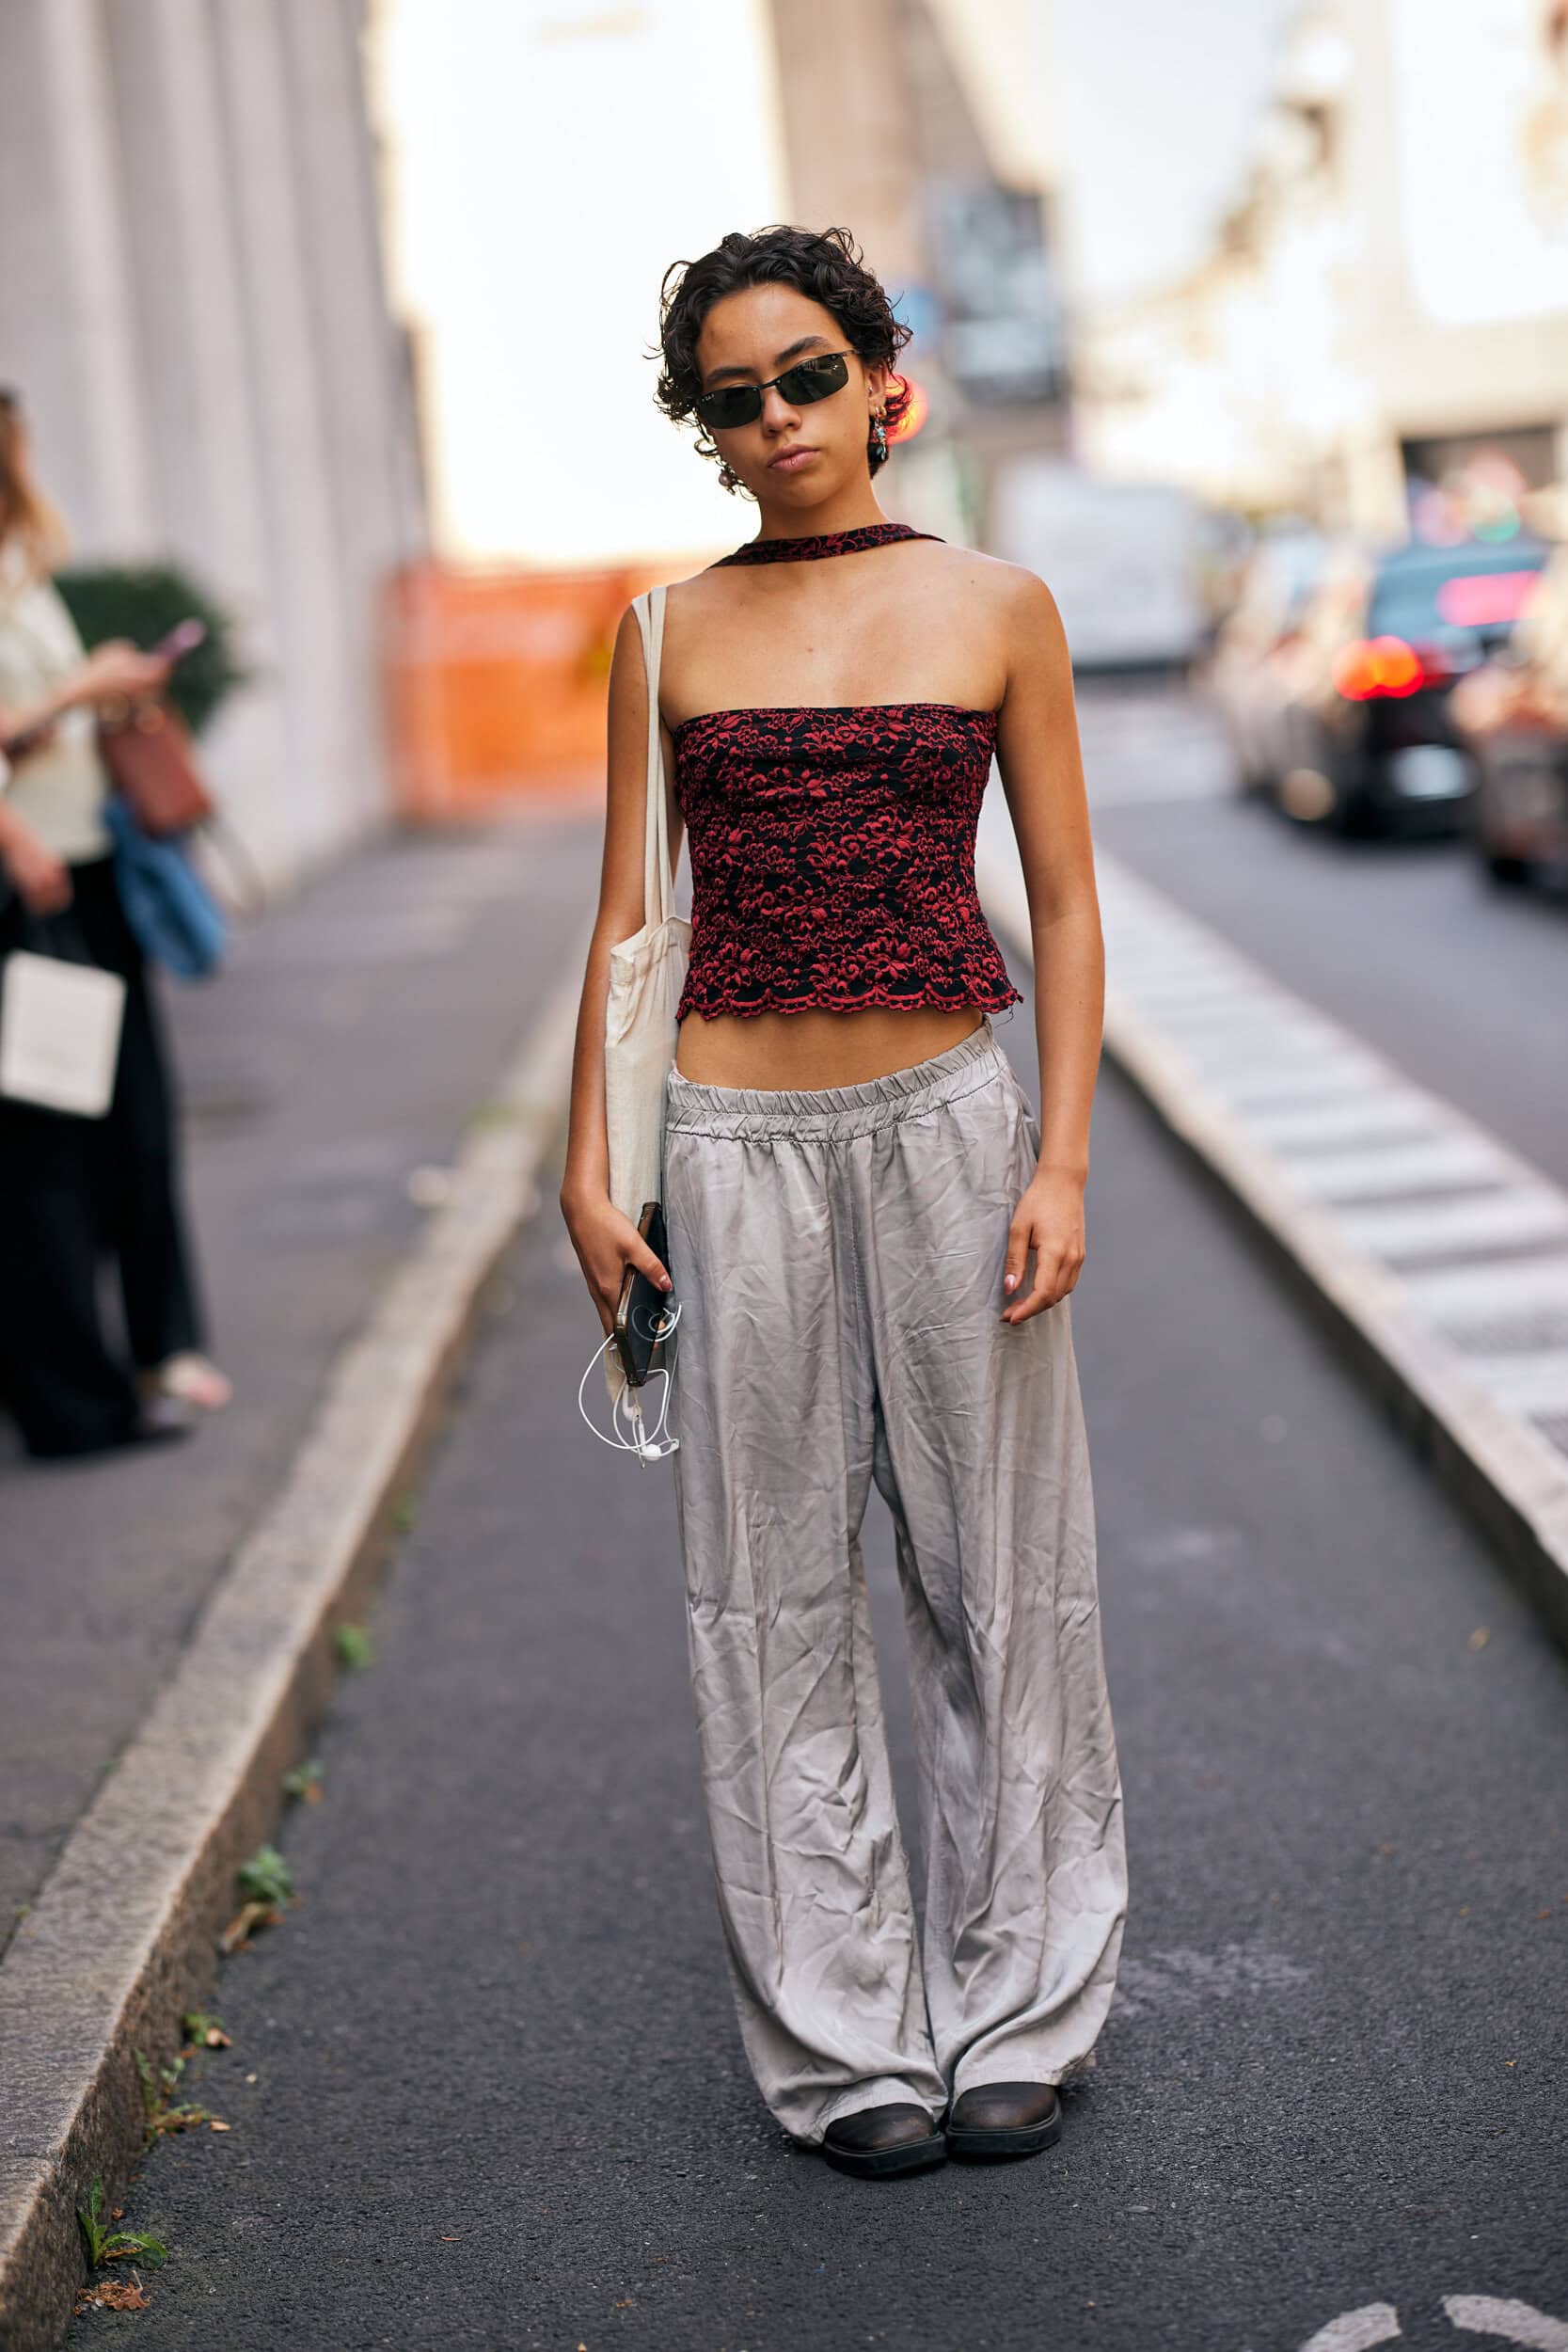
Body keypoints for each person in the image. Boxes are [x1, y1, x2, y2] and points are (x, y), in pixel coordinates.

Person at [560, 227, 1127, 2180]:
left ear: (882, 377)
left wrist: (1060, 1155)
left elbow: (1064, 905)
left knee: (998, 1577)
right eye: (736, 399)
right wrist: (588, 1161)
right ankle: (843, 2033)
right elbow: (629, 922)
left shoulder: (998, 606)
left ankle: (1019, 2003)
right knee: (768, 1596)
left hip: (953, 1126)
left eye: (809, 375)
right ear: (705, 431)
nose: (781, 420)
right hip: (731, 1147)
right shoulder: (661, 634)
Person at [0, 384, 230, 1457]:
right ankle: (70, 1407)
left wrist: (108, 693)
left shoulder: (22, 567)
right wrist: (71, 697)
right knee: (45, 1149)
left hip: (87, 869)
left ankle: (151, 1355)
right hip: (28, 887)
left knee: (131, 1122)